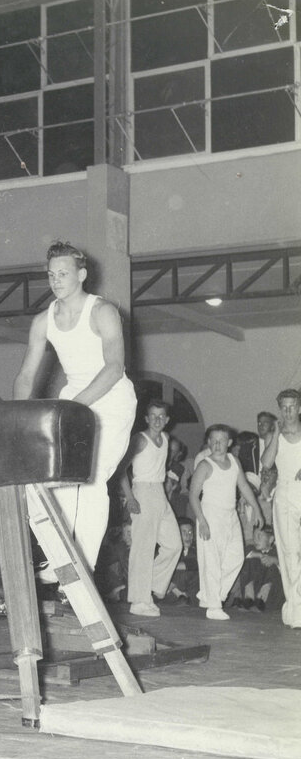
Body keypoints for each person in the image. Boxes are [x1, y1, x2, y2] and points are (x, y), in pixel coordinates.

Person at [13, 241, 137, 570]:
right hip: (74, 397)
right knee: (51, 479)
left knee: (92, 476)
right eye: (51, 274)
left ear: (82, 275)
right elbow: (26, 376)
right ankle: (60, 561)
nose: (56, 280)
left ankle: (83, 567)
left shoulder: (102, 311)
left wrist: (73, 409)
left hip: (111, 399)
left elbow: (113, 368)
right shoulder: (43, 321)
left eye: (64, 273)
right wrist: (16, 421)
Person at [189, 423, 264, 621]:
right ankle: (213, 606)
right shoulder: (205, 465)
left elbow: (244, 486)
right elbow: (193, 495)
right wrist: (202, 521)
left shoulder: (234, 460)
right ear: (208, 442)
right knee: (212, 560)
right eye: (213, 440)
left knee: (236, 557)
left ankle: (211, 596)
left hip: (230, 515)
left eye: (221, 440)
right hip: (210, 514)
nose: (217, 444)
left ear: (229, 443)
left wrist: (257, 509)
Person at [117, 400, 182, 617]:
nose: (157, 420)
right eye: (152, 416)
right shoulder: (140, 440)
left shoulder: (165, 439)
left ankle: (149, 586)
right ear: (146, 419)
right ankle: (138, 601)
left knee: (174, 545)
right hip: (142, 491)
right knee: (143, 548)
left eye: (161, 416)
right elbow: (120, 470)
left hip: (160, 492)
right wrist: (130, 498)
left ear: (167, 420)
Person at [260, 388, 301, 627]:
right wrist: (275, 434)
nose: (288, 411)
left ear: (299, 408)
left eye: (292, 406)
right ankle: (295, 610)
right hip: (285, 493)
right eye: (283, 407)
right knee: (290, 553)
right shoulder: (275, 435)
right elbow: (266, 463)